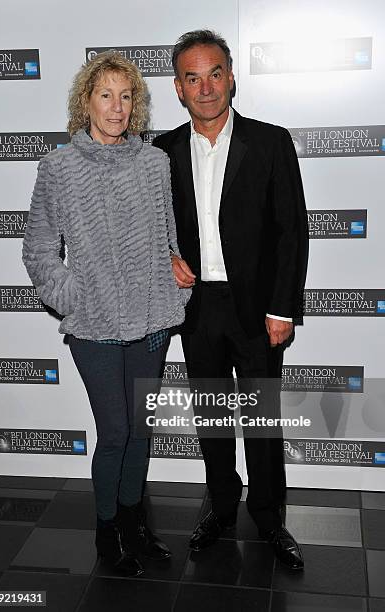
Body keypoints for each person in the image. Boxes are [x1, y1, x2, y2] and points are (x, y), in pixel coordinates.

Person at [22, 50, 190, 577]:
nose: (116, 108)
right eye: (105, 95)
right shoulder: (59, 167)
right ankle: (107, 532)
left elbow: (169, 238)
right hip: (94, 327)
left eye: (126, 96)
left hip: (152, 319)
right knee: (114, 432)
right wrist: (74, 298)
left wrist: (174, 272)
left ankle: (136, 525)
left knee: (140, 430)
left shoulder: (155, 161)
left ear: (135, 103)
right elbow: (39, 250)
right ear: (85, 101)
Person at [153, 30, 309, 570]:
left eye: (214, 74)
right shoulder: (162, 152)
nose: (206, 87)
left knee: (261, 419)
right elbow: (150, 226)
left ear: (232, 77)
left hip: (258, 309)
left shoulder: (270, 142)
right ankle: (220, 507)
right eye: (192, 78)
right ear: (178, 88)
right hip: (197, 309)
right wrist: (165, 255)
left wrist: (283, 308)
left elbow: (292, 231)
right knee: (213, 415)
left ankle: (268, 515)